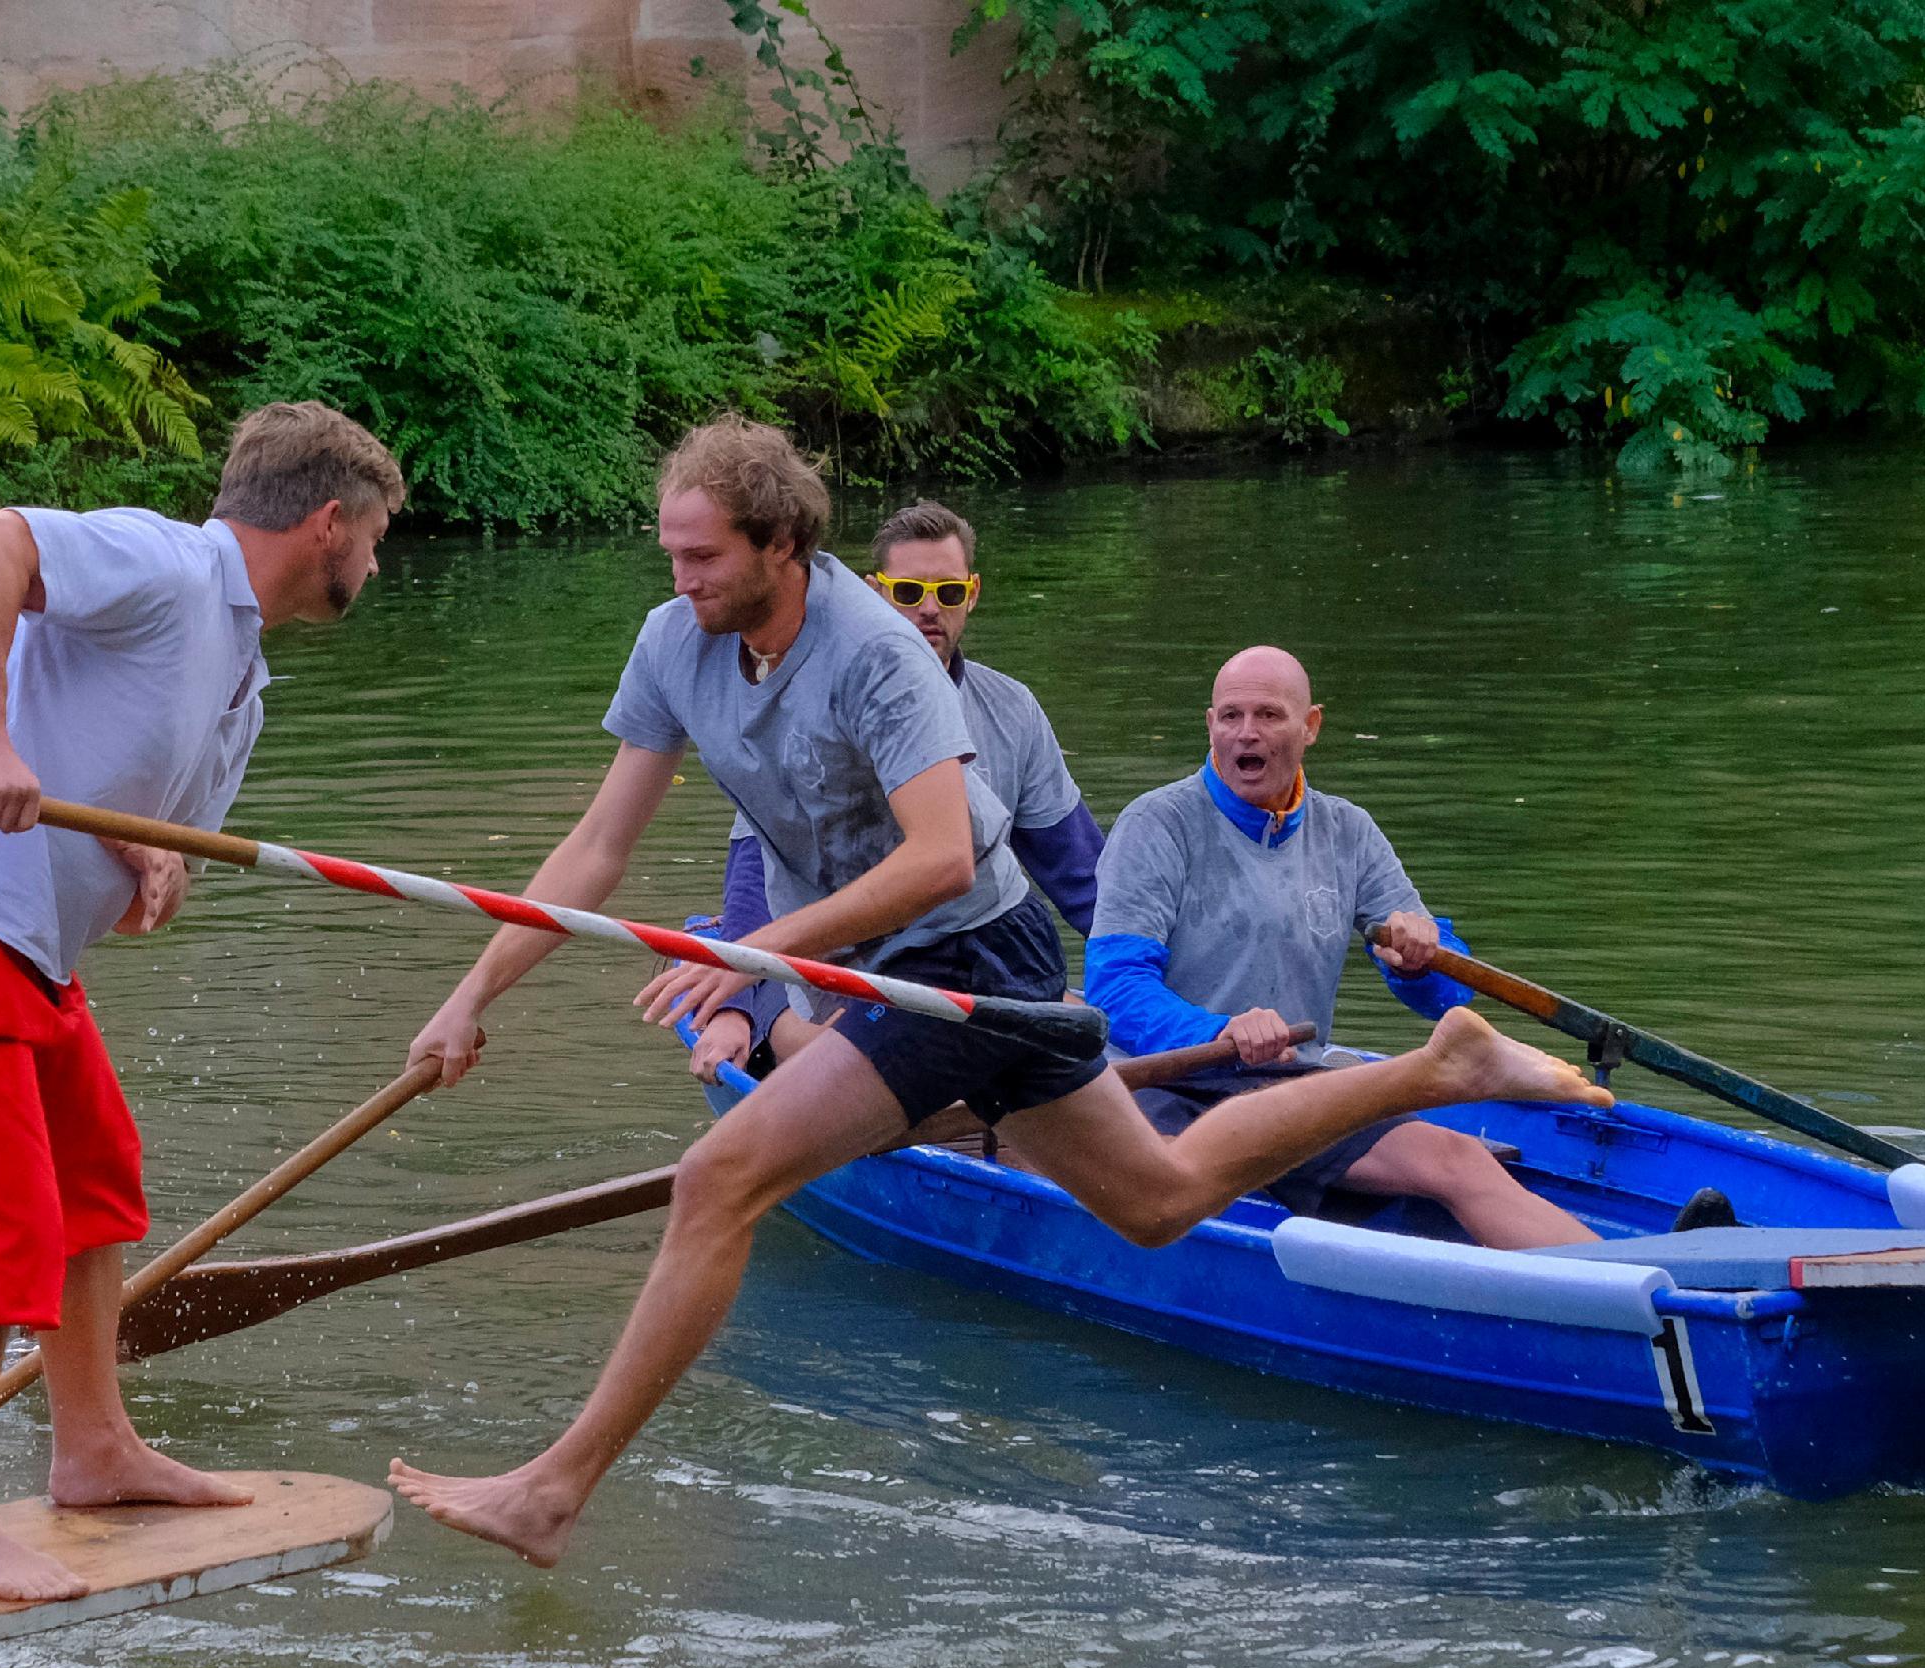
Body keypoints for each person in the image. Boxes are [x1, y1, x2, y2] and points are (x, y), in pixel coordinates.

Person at [389, 416, 1610, 1568]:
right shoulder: (675, 641)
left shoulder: (877, 654)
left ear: (783, 545)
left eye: (704, 555)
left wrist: (747, 958)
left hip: (963, 960)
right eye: (672, 552)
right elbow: (598, 845)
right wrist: (471, 991)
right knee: (1160, 1197)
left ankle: (552, 1492)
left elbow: (943, 857)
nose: (683, 577)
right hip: (933, 971)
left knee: (722, 1177)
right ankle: (1435, 1068)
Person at [0, 402, 407, 1602]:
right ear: (328, 521)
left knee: (94, 1178)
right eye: (378, 537)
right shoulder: (174, 565)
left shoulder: (238, 659)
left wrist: (152, 849)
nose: (378, 563)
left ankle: (92, 1449)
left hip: (16, 938)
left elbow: (108, 758)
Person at [1087, 645, 1600, 1250]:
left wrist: (1419, 962)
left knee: (1459, 1159)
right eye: (1230, 716)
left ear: (1311, 727)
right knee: (1181, 1192)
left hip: (1294, 1088)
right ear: (1210, 725)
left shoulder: (1349, 831)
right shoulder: (1157, 824)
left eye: (1269, 716)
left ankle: (1644, 1285)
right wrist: (1220, 1031)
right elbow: (1115, 988)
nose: (1245, 734)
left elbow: (1449, 992)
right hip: (1164, 1087)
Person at [689, 499, 1101, 1080]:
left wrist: (1153, 990)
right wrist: (731, 1007)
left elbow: (1083, 880)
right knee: (804, 1047)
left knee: (1070, 1021)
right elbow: (756, 879)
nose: (930, 610)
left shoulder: (1014, 711)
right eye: (908, 592)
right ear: (874, 591)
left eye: (949, 593)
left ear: (973, 594)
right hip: (825, 972)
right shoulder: (811, 700)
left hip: (961, 965)